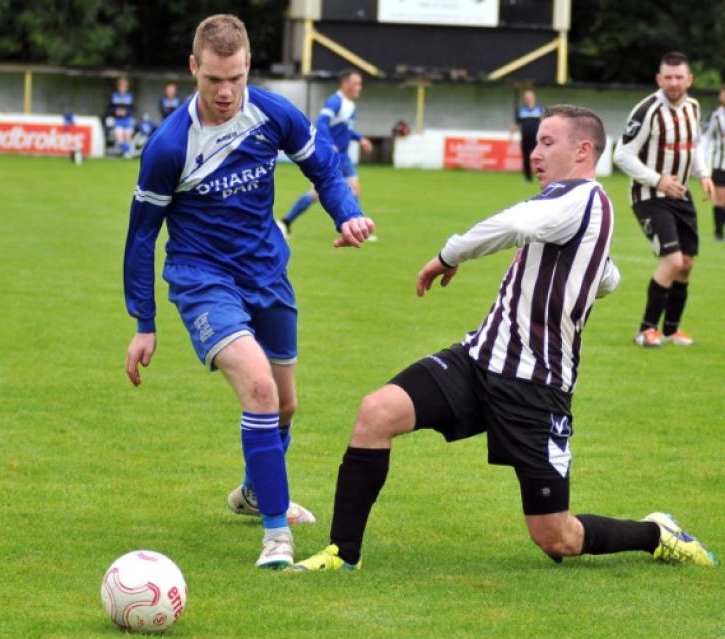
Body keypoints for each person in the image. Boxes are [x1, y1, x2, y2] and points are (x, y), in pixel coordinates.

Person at [292, 105, 717, 572]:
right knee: (377, 412)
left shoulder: (583, 198)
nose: (535, 153)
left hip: (536, 389)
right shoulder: (568, 203)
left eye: (547, 143)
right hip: (479, 360)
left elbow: (517, 226)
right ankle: (341, 554)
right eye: (535, 142)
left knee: (557, 537)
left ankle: (656, 533)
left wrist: (448, 255)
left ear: (583, 150)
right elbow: (609, 277)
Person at [123, 14, 375, 570]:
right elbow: (142, 237)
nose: (225, 91)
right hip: (202, 279)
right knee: (259, 389)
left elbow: (325, 169)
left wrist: (348, 215)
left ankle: (255, 492)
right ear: (194, 68)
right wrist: (144, 322)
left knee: (285, 405)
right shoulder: (169, 146)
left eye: (235, 77)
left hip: (267, 274)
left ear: (248, 67)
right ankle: (275, 532)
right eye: (213, 78)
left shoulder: (272, 113)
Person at [613, 51, 714, 348]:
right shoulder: (647, 111)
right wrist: (658, 180)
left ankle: (671, 330)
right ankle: (646, 330)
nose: (673, 83)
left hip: (681, 195)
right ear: (659, 79)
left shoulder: (693, 108)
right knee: (671, 261)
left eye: (679, 77)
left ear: (689, 79)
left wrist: (704, 175)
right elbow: (622, 154)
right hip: (649, 196)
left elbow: (692, 148)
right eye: (667, 77)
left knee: (686, 264)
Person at [280, 69, 373, 236]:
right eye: (356, 84)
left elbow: (346, 130)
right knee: (316, 194)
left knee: (355, 190)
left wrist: (360, 139)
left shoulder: (350, 105)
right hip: (335, 157)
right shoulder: (335, 102)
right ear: (345, 84)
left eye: (360, 84)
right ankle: (286, 221)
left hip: (344, 157)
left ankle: (358, 226)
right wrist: (331, 143)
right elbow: (321, 123)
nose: (359, 87)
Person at [701, 83, 725, 241]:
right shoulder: (715, 117)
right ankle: (718, 232)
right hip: (719, 165)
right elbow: (705, 140)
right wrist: (703, 165)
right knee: (720, 199)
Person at [510, 88, 545, 182]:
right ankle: (527, 178)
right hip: (525, 138)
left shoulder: (540, 109)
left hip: (537, 139)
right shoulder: (521, 110)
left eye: (530, 97)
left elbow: (544, 123)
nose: (528, 99)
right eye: (526, 97)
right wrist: (511, 136)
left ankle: (542, 176)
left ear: (534, 98)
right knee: (526, 158)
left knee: (539, 158)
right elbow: (516, 123)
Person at [108, 77, 136, 158]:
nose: (122, 88)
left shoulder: (130, 96)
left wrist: (126, 112)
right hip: (118, 120)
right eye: (121, 86)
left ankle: (126, 153)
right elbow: (109, 108)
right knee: (119, 138)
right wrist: (115, 112)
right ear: (118, 87)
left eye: (124, 86)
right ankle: (126, 151)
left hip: (127, 119)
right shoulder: (114, 96)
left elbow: (133, 108)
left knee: (128, 137)